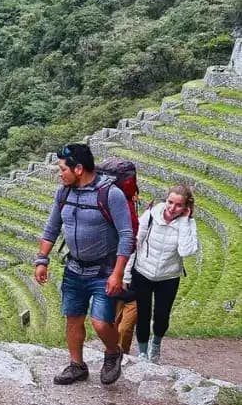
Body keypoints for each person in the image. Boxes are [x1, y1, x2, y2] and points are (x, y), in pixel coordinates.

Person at [34, 143, 134, 385]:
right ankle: (77, 365)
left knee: (100, 323)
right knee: (73, 319)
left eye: (62, 169)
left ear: (78, 169)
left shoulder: (110, 194)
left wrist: (117, 274)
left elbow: (126, 235)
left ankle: (113, 353)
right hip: (74, 268)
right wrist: (41, 260)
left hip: (104, 271)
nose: (60, 174)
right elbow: (52, 228)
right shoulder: (63, 193)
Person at [123, 185, 198, 364]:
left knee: (162, 316)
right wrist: (126, 274)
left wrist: (185, 222)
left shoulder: (187, 223)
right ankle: (142, 353)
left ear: (186, 207)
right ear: (166, 200)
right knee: (143, 313)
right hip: (142, 271)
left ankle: (155, 345)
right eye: (170, 202)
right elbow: (135, 243)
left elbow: (186, 251)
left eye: (178, 205)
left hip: (168, 277)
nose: (172, 208)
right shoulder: (150, 215)